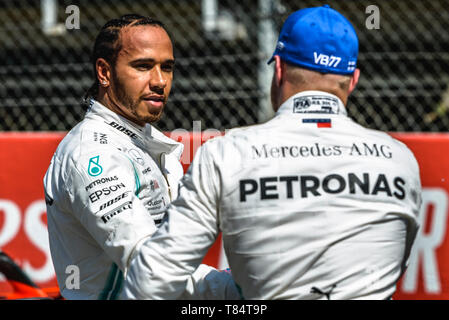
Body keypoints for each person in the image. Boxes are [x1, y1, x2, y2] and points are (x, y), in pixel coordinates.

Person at [123, 5, 422, 300]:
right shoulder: (400, 159)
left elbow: (152, 280)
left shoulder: (225, 154)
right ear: (353, 80)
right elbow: (394, 266)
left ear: (278, 69)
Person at [43, 14, 240, 300]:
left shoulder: (142, 142)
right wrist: (241, 289)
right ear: (104, 73)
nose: (160, 81)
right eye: (143, 66)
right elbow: (151, 269)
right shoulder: (92, 154)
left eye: (167, 67)